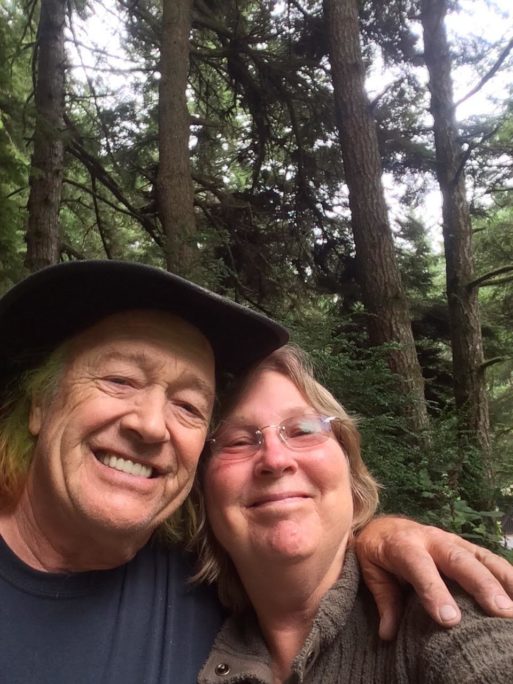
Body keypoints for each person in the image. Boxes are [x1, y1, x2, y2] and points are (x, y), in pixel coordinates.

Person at [0, 262, 511, 684]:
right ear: (39, 405)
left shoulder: (435, 611)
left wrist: (384, 533)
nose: (152, 425)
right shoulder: (216, 597)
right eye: (118, 379)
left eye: (189, 406)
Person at [195, 345, 513, 683]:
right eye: (237, 442)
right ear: (202, 491)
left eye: (303, 430)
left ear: (352, 476)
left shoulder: (436, 604)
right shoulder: (181, 613)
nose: (275, 460)